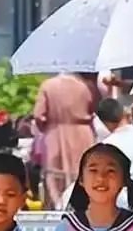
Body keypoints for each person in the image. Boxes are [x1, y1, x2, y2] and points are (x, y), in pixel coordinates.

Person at [33, 72, 97, 208]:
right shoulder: (85, 85)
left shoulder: (48, 85)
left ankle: (57, 207)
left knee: (55, 175)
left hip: (55, 133)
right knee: (83, 171)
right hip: (83, 133)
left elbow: (39, 115)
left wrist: (45, 127)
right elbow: (94, 109)